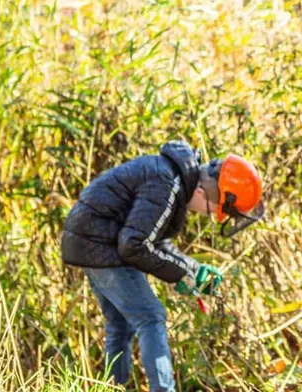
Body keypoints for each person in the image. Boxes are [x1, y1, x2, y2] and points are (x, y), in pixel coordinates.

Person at [61, 141, 264, 392]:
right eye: (212, 211)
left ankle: (112, 387)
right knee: (151, 316)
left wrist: (192, 269)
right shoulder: (166, 184)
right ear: (201, 193)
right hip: (102, 247)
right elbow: (134, 245)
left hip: (95, 243)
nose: (207, 215)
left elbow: (154, 239)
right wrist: (181, 276)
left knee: (121, 324)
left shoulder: (173, 178)